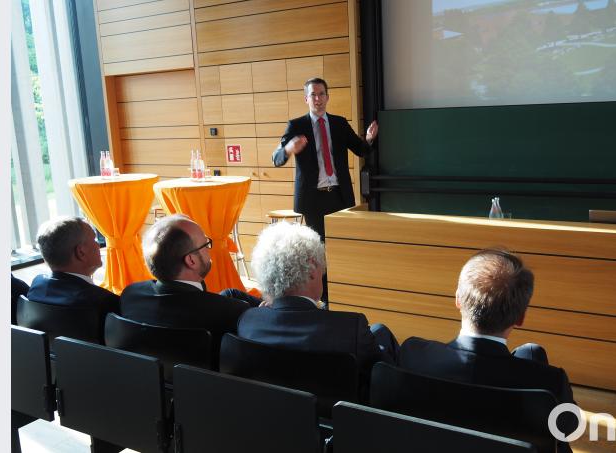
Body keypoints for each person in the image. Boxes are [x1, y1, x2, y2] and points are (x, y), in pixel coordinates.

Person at [397, 249, 578, 447]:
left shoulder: (412, 355)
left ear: (458, 299)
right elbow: (569, 428)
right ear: (520, 318)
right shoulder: (548, 383)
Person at [237, 221, 399, 377]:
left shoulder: (248, 323)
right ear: (312, 268)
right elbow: (386, 378)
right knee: (381, 332)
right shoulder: (351, 329)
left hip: (273, 403)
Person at [273, 77, 379, 303]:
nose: (318, 99)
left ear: (328, 97)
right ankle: (323, 297)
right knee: (317, 250)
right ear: (306, 99)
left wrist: (369, 139)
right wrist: (289, 149)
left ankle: (342, 292)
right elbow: (276, 158)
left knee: (340, 246)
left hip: (339, 196)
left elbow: (360, 149)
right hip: (313, 199)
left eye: (322, 94)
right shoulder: (296, 125)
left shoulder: (339, 123)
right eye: (313, 95)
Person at [120, 214, 257, 344]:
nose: (209, 250)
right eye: (205, 244)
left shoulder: (130, 295)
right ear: (191, 260)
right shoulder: (231, 313)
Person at [27, 217, 119, 314]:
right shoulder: (104, 301)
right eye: (94, 239)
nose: (98, 245)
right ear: (81, 252)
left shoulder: (36, 288)